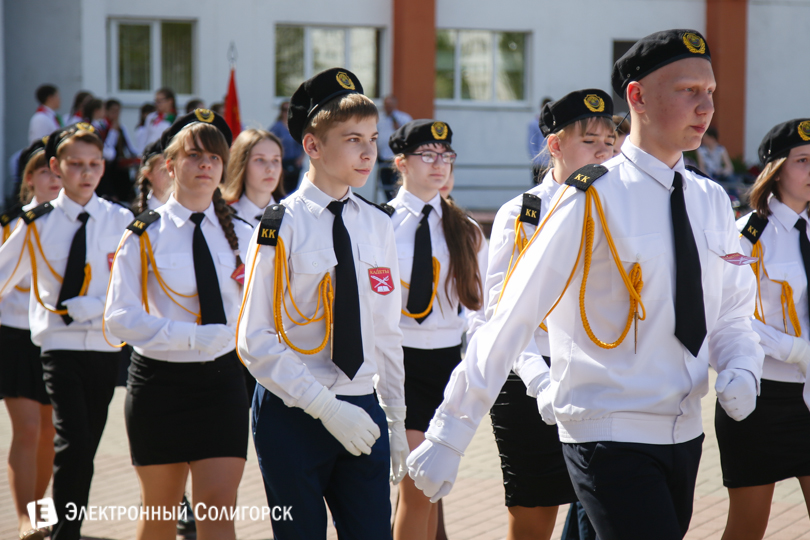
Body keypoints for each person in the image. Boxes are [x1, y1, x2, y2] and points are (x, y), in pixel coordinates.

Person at [407, 29, 765, 540]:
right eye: (688, 90)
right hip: (607, 432)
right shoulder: (587, 197)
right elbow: (511, 317)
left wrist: (742, 365)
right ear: (638, 97)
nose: (705, 106)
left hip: (686, 433)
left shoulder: (710, 201)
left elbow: (730, 310)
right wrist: (450, 431)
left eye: (709, 91)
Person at [237, 67, 407, 540]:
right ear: (312, 145)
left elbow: (387, 333)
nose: (369, 152)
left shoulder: (378, 224)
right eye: (353, 139)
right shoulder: (279, 226)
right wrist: (325, 408)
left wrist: (396, 419)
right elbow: (254, 340)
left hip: (363, 407)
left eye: (373, 139)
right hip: (293, 411)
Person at [105, 110, 253, 540]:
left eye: (215, 157)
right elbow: (118, 318)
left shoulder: (245, 234)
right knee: (160, 514)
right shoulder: (142, 234)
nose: (206, 164)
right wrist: (191, 336)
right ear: (169, 166)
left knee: (218, 511)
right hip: (159, 385)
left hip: (223, 384)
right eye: (194, 155)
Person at [482, 90, 615, 540]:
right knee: (534, 514)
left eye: (610, 142)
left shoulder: (617, 208)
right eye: (590, 142)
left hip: (596, 377)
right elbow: (499, 312)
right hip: (528, 379)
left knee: (598, 513)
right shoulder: (522, 214)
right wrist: (540, 381)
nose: (603, 152)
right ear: (555, 146)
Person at [0, 123, 134, 540]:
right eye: (76, 164)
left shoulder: (120, 219)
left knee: (85, 446)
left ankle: (62, 520)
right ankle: (61, 530)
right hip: (58, 345)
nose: (86, 173)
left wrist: (96, 307)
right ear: (56, 167)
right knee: (70, 439)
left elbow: (135, 287)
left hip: (105, 346)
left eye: (94, 164)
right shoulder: (36, 222)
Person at [386, 120, 487, 540]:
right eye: (427, 155)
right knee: (416, 486)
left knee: (431, 486)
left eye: (446, 156)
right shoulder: (380, 223)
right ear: (401, 163)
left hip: (447, 364)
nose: (439, 164)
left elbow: (481, 308)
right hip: (400, 361)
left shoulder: (465, 229)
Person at [715, 118, 810, 540]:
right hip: (760, 399)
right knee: (747, 527)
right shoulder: (747, 235)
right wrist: (796, 350)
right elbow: (729, 314)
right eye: (803, 160)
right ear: (775, 170)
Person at [0, 138, 62, 540]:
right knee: (26, 429)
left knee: (50, 433)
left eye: (58, 173)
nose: (54, 180)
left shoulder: (72, 223)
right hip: (14, 335)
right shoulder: (11, 224)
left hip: (55, 339)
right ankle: (26, 517)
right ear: (29, 179)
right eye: (44, 172)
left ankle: (41, 510)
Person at [224, 129, 286, 228]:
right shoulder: (224, 219)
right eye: (260, 159)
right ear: (241, 165)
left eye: (276, 160)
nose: (271, 168)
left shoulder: (291, 218)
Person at [96, 99, 139, 202]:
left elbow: (130, 146)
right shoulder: (101, 126)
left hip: (118, 166)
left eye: (118, 111)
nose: (116, 114)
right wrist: (113, 131)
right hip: (108, 167)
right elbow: (107, 148)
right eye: (113, 111)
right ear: (106, 111)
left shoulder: (121, 127)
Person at [376, 95, 413, 201]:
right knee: (385, 185)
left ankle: (398, 203)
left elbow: (410, 136)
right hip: (383, 157)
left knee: (397, 185)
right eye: (386, 105)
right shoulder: (378, 119)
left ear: (395, 105)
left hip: (398, 157)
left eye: (390, 105)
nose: (388, 108)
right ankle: (389, 204)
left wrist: (399, 128)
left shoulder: (404, 118)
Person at [269, 101, 305, 194]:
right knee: (283, 189)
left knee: (294, 189)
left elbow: (303, 143)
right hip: (283, 163)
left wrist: (301, 159)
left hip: (295, 163)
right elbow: (271, 144)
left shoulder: (296, 127)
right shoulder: (277, 127)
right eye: (284, 110)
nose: (287, 113)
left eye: (289, 110)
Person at [133, 141, 173, 214]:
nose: (171, 174)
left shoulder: (191, 210)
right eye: (164, 170)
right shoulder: (134, 215)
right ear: (148, 174)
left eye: (173, 168)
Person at [136, 88, 177, 152]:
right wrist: (141, 152)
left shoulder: (176, 118)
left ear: (170, 101)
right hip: (150, 152)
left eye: (160, 101)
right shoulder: (152, 117)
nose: (157, 104)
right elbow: (145, 137)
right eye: (156, 101)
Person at [528, 97, 553, 184]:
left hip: (552, 164)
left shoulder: (554, 124)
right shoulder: (535, 123)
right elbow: (531, 144)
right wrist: (537, 160)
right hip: (539, 165)